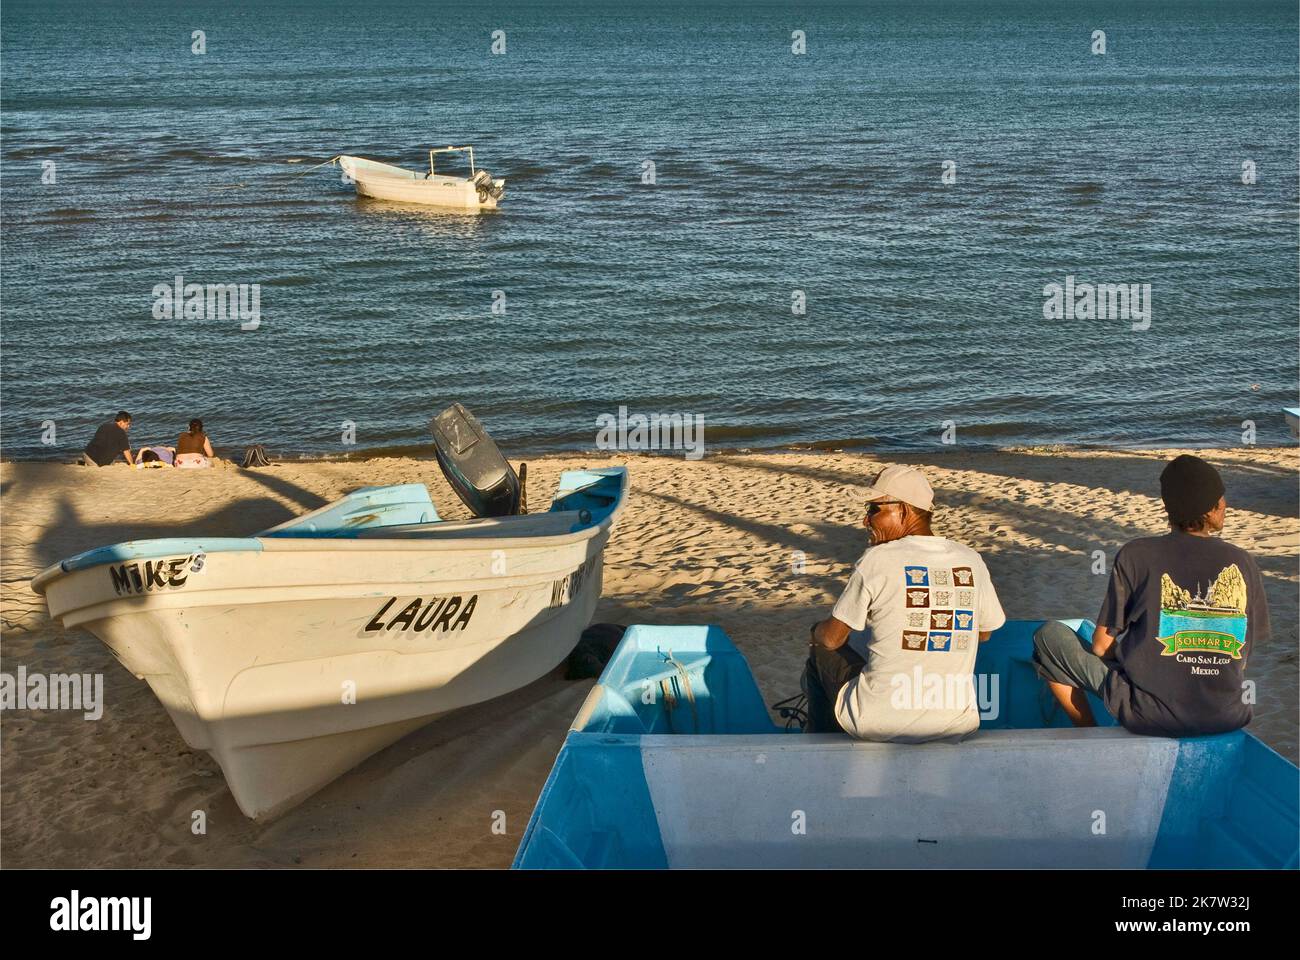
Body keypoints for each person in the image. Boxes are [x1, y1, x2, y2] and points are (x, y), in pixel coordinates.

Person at [1033, 454, 1268, 737]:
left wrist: (1141, 666)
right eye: (1220, 498)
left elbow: (1100, 646)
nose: (1225, 505)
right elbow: (1242, 656)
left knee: (1048, 637)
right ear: (1209, 509)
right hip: (1227, 715)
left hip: (1150, 716)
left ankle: (1088, 734)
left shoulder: (1137, 554)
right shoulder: (1242, 561)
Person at [803, 465, 1007, 742]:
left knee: (820, 643)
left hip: (879, 722)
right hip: (953, 723)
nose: (866, 520)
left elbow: (833, 639)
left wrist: (816, 632)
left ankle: (818, 743)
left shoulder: (877, 559)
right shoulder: (971, 559)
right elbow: (983, 633)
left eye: (874, 509)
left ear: (904, 510)